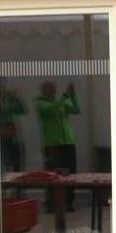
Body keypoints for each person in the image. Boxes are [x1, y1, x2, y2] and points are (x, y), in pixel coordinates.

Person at [35, 80, 79, 210]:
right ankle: (52, 203)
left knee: (70, 174)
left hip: (68, 142)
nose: (53, 90)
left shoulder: (61, 101)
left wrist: (73, 96)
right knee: (52, 175)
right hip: (52, 145)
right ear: (43, 90)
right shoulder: (40, 103)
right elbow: (51, 108)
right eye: (49, 88)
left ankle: (69, 202)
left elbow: (76, 110)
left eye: (54, 88)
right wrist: (65, 96)